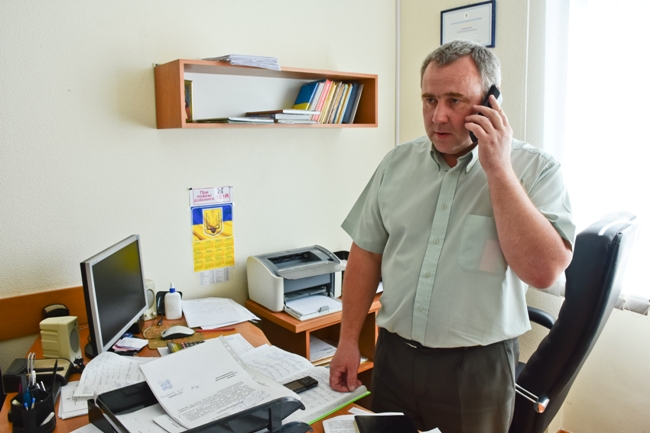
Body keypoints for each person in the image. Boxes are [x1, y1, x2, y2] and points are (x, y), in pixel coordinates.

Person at [329, 39, 576, 433]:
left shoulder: (536, 170)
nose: (438, 116)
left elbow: (544, 272)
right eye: (429, 100)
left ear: (491, 102)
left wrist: (498, 168)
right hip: (393, 358)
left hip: (475, 372)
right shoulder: (396, 163)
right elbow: (366, 253)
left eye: (455, 101)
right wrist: (347, 341)